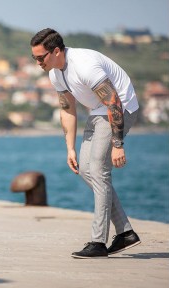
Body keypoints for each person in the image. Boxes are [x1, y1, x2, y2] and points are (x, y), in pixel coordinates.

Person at [30, 28, 141, 259]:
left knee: (99, 171)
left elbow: (114, 103)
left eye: (41, 57)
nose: (38, 62)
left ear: (56, 51)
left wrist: (118, 144)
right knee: (86, 170)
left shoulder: (85, 65)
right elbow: (67, 109)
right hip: (98, 111)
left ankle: (98, 241)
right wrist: (69, 148)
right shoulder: (55, 73)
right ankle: (125, 232)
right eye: (35, 58)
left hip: (121, 107)